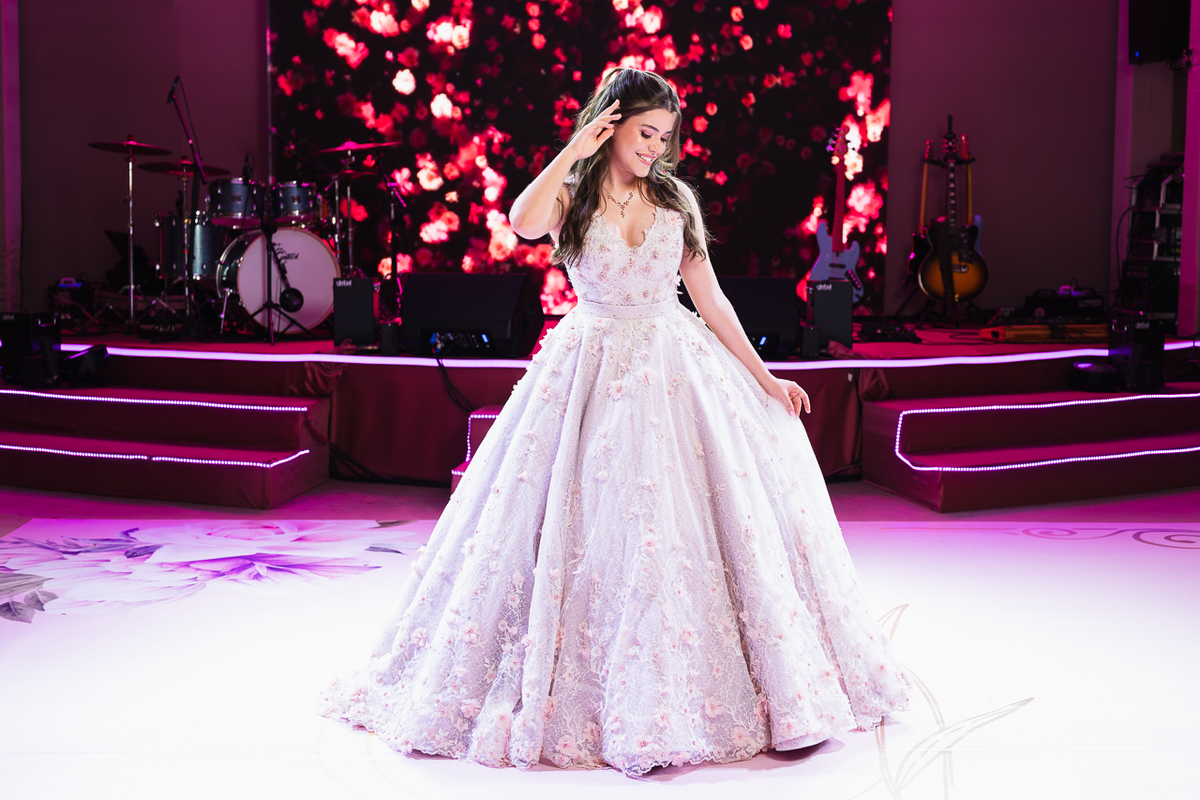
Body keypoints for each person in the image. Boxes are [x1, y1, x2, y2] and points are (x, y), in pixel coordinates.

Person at [322, 68, 909, 777]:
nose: (655, 150)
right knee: (585, 519)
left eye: (664, 137)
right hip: (590, 364)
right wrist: (575, 149)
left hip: (670, 364)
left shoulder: (674, 198)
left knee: (676, 522)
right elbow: (521, 221)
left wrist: (765, 379)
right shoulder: (571, 192)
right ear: (610, 124)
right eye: (643, 134)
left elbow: (712, 301)